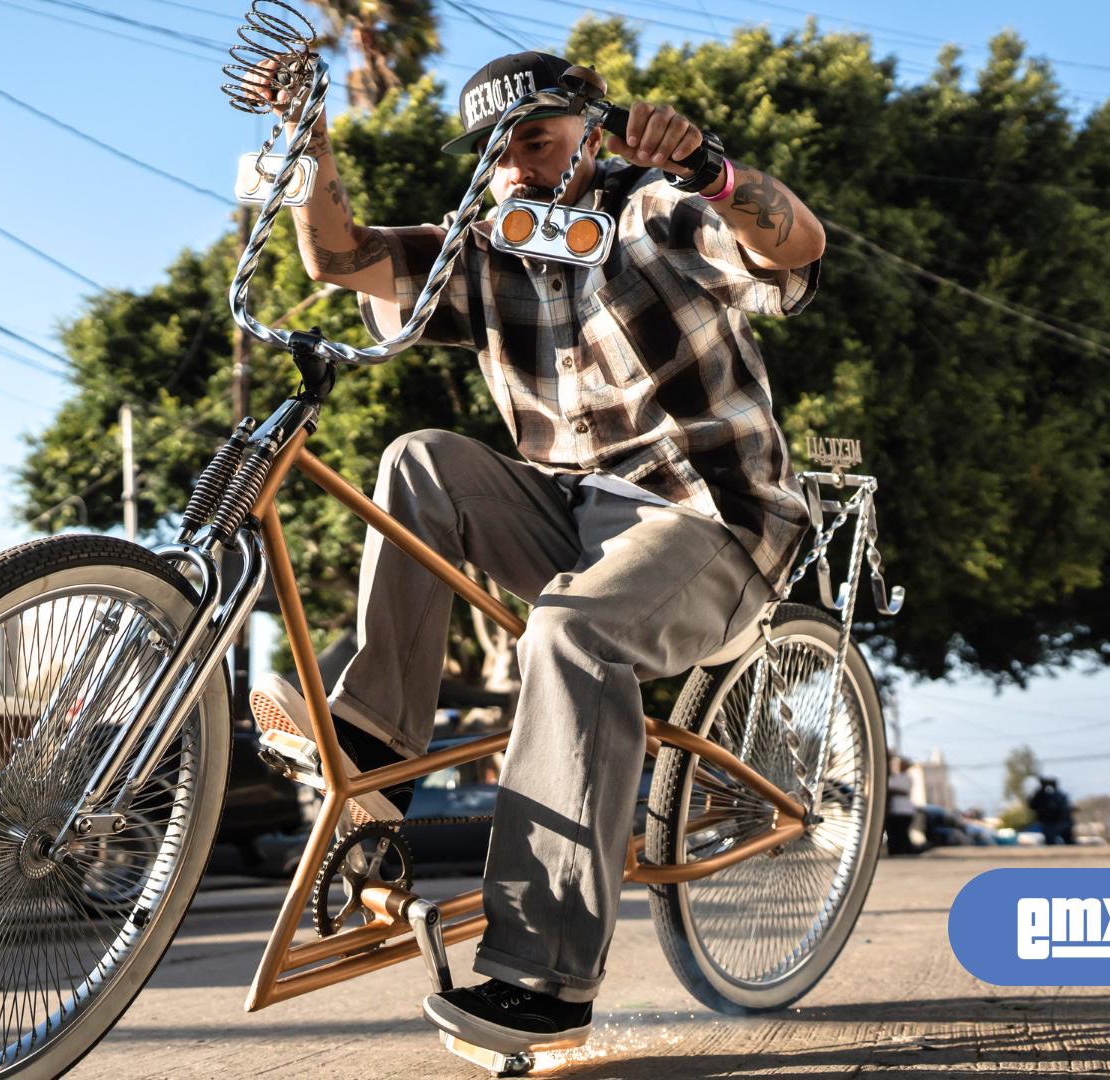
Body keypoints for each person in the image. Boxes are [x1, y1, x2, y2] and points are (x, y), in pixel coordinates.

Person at [245, 50, 826, 1056]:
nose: (515, 166)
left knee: (569, 633)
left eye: (538, 142)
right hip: (565, 514)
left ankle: (544, 977)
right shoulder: (490, 248)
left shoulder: (658, 211)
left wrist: (714, 172)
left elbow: (797, 246)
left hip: (708, 521)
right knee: (419, 460)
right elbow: (340, 260)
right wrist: (310, 144)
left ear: (589, 138)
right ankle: (377, 748)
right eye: (498, 153)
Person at [1028, 775, 1075, 845]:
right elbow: (1032, 805)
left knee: (1068, 841)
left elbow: (1065, 808)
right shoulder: (1041, 797)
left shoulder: (1059, 796)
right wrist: (1041, 789)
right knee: (1050, 841)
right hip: (1048, 823)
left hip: (1061, 822)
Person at [886, 755, 918, 855]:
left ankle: (906, 850)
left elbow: (903, 791)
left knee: (902, 832)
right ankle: (895, 851)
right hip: (894, 810)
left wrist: (892, 791)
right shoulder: (893, 777)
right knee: (893, 833)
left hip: (905, 811)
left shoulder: (907, 777)